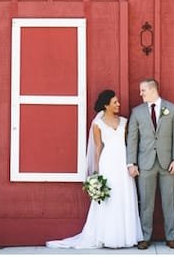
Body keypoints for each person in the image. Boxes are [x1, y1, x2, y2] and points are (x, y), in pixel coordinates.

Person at [46, 89, 143, 249]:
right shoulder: (98, 124)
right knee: (109, 198)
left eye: (118, 102)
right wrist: (97, 172)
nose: (118, 104)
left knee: (124, 195)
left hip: (123, 161)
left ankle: (126, 235)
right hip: (108, 163)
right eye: (115, 102)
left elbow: (129, 144)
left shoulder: (125, 122)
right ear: (106, 105)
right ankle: (108, 236)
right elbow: (98, 148)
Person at [126, 78, 174, 250]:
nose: (140, 93)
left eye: (143, 90)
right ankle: (145, 237)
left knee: (169, 200)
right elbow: (132, 139)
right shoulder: (137, 112)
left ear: (152, 90)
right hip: (145, 163)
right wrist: (131, 163)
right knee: (146, 202)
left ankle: (171, 237)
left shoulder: (172, 109)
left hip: (168, 163)